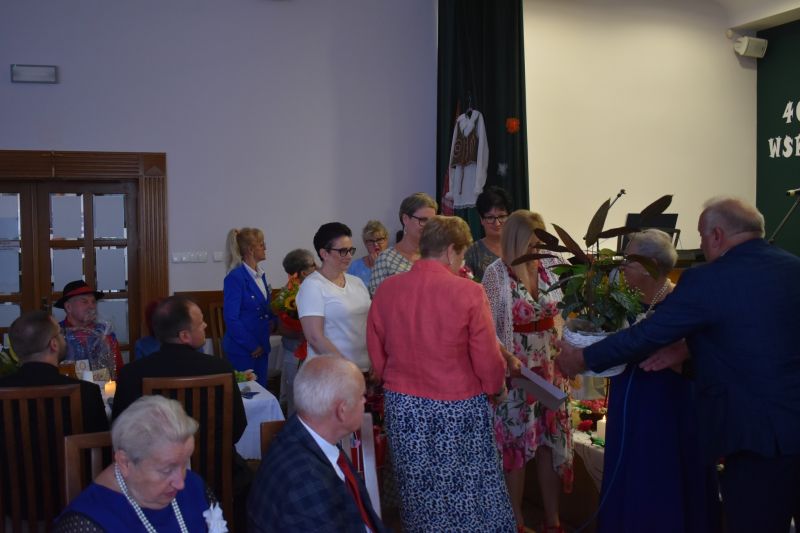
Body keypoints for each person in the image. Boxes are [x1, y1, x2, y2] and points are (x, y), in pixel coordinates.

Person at [556, 197, 800, 533]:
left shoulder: (708, 279)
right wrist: (690, 352)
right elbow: (753, 343)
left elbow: (648, 335)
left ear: (717, 235)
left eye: (701, 236)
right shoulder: (793, 268)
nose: (701, 245)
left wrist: (582, 358)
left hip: (754, 438)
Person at [367, 215, 515, 533]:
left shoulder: (388, 289)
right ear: (450, 250)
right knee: (467, 490)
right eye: (461, 255)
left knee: (417, 488)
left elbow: (376, 350)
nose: (460, 262)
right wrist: (496, 388)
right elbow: (487, 358)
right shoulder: (468, 292)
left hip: (403, 406)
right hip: (457, 406)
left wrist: (391, 379)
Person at [597, 229, 716, 533]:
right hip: (628, 402)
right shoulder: (622, 301)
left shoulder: (681, 303)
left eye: (630, 259)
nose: (623, 265)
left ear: (650, 265)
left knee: (662, 476)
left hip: (668, 407)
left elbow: (706, 353)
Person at [111, 295, 250, 529]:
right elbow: (237, 428)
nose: (206, 325)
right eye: (201, 322)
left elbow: (120, 437)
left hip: (152, 477)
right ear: (185, 336)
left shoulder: (132, 373)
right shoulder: (220, 368)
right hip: (216, 473)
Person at [482, 210, 572, 533]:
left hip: (550, 367)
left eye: (540, 242)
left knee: (549, 442)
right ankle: (515, 522)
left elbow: (564, 314)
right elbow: (486, 328)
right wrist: (506, 358)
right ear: (516, 241)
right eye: (532, 243)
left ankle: (553, 521)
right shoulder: (497, 273)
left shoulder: (550, 266)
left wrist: (569, 354)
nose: (537, 249)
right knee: (515, 448)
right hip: (516, 371)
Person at [247, 355, 387, 533]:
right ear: (342, 411)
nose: (365, 401)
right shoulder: (306, 482)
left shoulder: (307, 433)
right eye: (361, 396)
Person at [55, 395, 226, 532]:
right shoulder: (86, 523)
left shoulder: (196, 488)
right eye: (167, 470)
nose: (181, 483)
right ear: (125, 463)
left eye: (184, 463)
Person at [0, 310, 108, 433]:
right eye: (60, 333)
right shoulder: (86, 391)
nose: (64, 337)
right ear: (54, 344)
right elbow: (99, 442)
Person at [296, 222, 371, 372]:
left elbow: (370, 324)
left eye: (351, 250)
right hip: (332, 372)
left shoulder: (356, 282)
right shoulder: (312, 285)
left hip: (364, 367)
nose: (349, 256)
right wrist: (346, 367)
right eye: (343, 251)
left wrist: (376, 359)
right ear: (324, 253)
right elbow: (315, 337)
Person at [222, 227, 277, 388]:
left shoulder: (260, 275)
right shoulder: (235, 277)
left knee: (261, 392)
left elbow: (264, 309)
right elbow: (231, 318)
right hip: (243, 349)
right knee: (246, 395)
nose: (265, 248)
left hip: (261, 344)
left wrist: (275, 321)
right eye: (261, 244)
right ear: (251, 250)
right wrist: (252, 345)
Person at [368, 192, 437, 295]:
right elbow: (378, 299)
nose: (428, 226)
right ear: (405, 219)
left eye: (432, 221)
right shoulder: (386, 259)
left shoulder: (436, 255)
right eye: (423, 220)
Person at [55, 280, 124, 380]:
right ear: (68, 307)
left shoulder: (104, 333)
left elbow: (118, 372)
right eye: (85, 302)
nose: (91, 306)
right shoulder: (56, 334)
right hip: (68, 389)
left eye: (93, 302)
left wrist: (107, 348)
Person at [277, 248, 317, 415]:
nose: (317, 267)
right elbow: (281, 327)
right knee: (296, 400)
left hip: (312, 352)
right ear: (303, 272)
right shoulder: (287, 295)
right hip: (294, 353)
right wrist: (302, 333)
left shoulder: (315, 288)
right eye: (313, 264)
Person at [465, 185, 512, 280]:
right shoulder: (472, 253)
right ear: (481, 220)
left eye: (502, 216)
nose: (497, 223)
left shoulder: (521, 247)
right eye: (490, 217)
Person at [347, 220, 389, 287]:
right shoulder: (355, 266)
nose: (375, 244)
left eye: (379, 239)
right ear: (365, 243)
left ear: (386, 240)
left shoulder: (393, 263)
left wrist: (378, 267)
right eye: (370, 241)